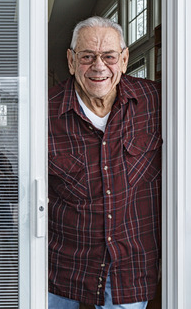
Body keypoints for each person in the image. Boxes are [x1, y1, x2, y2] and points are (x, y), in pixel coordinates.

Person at [48, 16, 162, 309]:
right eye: (87, 56)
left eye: (109, 56)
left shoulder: (156, 101)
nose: (99, 66)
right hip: (63, 265)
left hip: (130, 267)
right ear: (72, 62)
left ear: (123, 60)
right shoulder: (44, 110)